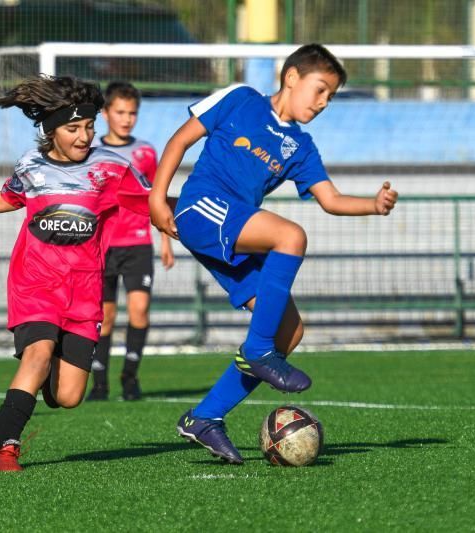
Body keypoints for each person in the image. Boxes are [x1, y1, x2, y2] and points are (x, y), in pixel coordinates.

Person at [149, 43, 398, 464]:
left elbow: (332, 199)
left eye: (331, 97)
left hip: (236, 227)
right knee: (291, 237)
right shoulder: (241, 99)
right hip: (200, 208)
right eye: (320, 90)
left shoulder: (300, 146)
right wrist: (158, 198)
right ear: (291, 77)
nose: (323, 103)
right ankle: (259, 352)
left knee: (289, 330)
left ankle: (205, 418)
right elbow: (180, 140)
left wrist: (373, 205)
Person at [0, 75, 150, 471]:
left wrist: (194, 217)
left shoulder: (113, 169)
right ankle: (4, 448)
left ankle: (50, 371)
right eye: (73, 128)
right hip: (36, 283)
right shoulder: (31, 167)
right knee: (37, 352)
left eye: (89, 127)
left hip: (84, 291)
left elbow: (152, 203)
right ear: (51, 131)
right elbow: (9, 196)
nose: (84, 136)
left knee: (68, 397)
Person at [86, 81, 174, 402]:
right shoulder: (92, 152)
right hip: (102, 246)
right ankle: (99, 382)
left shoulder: (145, 152)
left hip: (138, 243)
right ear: (105, 113)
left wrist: (166, 240)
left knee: (139, 311)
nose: (126, 119)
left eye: (132, 113)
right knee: (105, 316)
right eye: (120, 112)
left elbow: (156, 198)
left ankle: (130, 376)